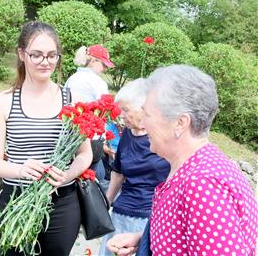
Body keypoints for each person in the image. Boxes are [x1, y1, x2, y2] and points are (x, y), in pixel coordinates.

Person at [106, 65, 258, 256]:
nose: (142, 123)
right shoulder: (195, 167)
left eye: (148, 114)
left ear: (180, 123)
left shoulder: (203, 184)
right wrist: (144, 238)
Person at [0, 21, 92, 256]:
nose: (46, 62)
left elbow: (85, 154)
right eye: (37, 55)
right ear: (21, 54)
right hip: (16, 199)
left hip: (62, 203)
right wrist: (21, 169)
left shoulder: (72, 99)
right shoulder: (3, 101)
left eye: (52, 55)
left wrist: (68, 174)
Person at [99, 79, 170, 256]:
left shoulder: (165, 138)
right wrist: (106, 202)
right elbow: (118, 172)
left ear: (143, 108)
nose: (121, 116)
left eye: (126, 110)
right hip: (122, 211)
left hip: (151, 217)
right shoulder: (127, 135)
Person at [64, 44, 114, 184]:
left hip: (71, 136)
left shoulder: (72, 78)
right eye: (103, 64)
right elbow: (105, 109)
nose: (105, 69)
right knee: (94, 179)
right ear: (93, 61)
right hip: (92, 138)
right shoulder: (97, 82)